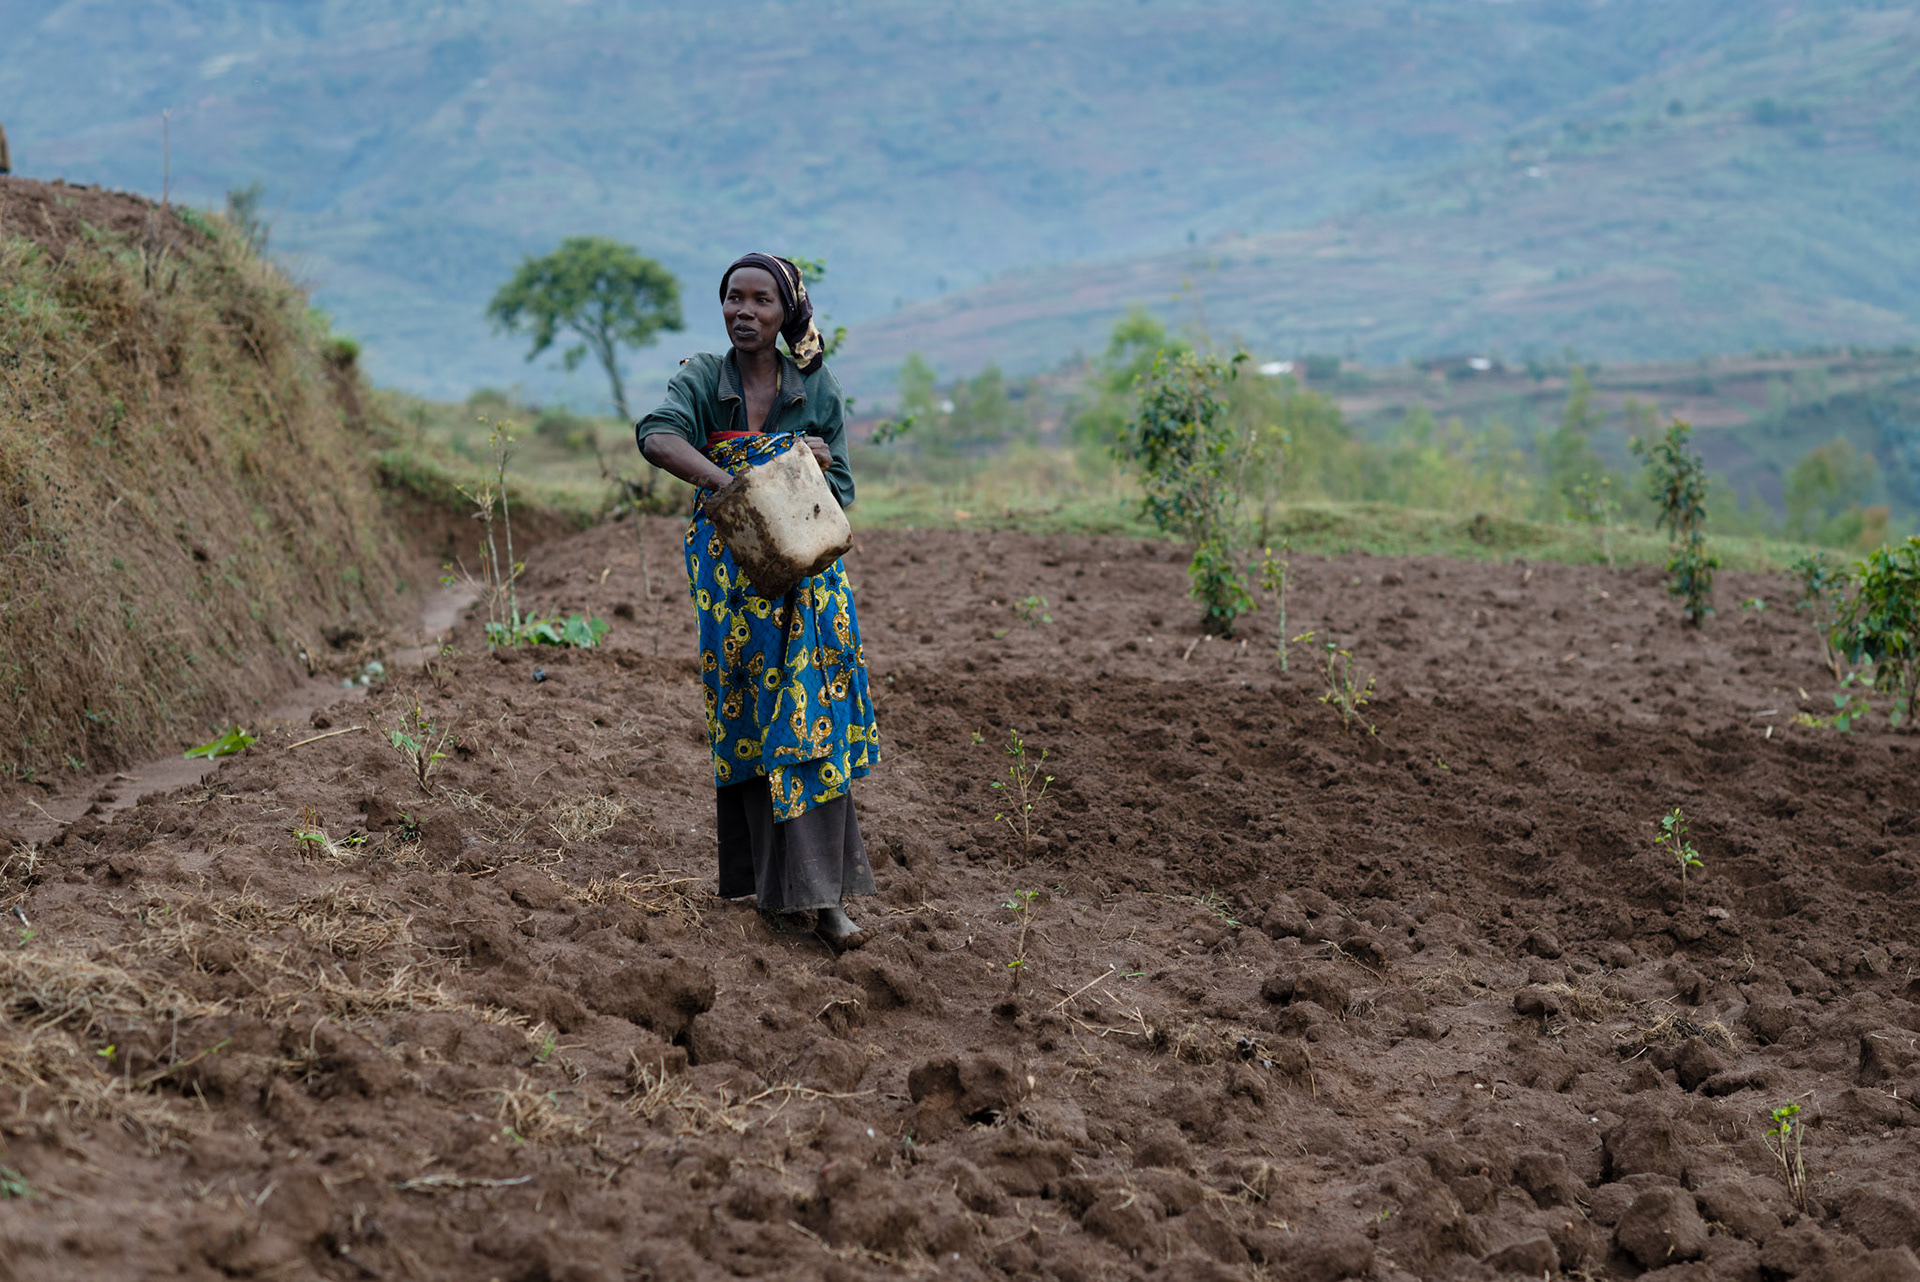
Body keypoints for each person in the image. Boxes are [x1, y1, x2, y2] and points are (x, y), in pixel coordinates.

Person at [635, 253, 877, 951]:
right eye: (732, 299)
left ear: (785, 313)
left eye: (760, 301)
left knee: (811, 725)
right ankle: (773, 893)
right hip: (733, 585)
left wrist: (810, 466)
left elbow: (846, 493)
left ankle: (825, 901)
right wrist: (734, 484)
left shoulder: (814, 387)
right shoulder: (702, 378)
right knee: (751, 722)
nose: (743, 311)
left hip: (807, 584)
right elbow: (656, 435)